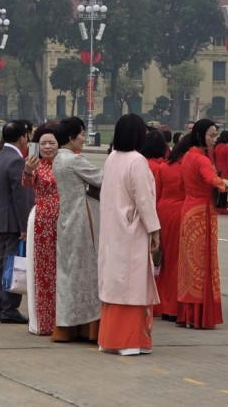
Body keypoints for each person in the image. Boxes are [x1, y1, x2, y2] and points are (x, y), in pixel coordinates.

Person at [97, 114, 161, 356]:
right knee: (132, 285)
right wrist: (154, 230)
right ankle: (128, 340)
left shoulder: (112, 158)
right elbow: (144, 201)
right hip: (132, 229)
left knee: (115, 283)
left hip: (113, 228)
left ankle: (110, 338)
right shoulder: (137, 161)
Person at [51, 116, 104, 342]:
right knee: (88, 273)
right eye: (81, 134)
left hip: (66, 220)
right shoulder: (74, 160)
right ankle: (89, 326)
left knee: (68, 274)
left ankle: (67, 325)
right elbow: (102, 178)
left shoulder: (57, 159)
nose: (83, 139)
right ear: (71, 137)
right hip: (82, 220)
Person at [177, 119, 228, 330]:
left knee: (190, 265)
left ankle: (188, 314)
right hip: (202, 214)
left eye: (216, 135)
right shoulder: (202, 159)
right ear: (200, 135)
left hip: (188, 210)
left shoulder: (187, 156)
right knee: (203, 264)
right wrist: (223, 183)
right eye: (211, 135)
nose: (214, 139)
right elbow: (211, 179)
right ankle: (200, 315)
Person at [0, 121, 33, 324]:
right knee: (13, 264)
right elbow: (21, 196)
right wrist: (25, 226)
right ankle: (9, 307)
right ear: (22, 137)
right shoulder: (16, 161)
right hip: (14, 220)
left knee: (2, 265)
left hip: (3, 219)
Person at [22, 123, 59, 336]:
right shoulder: (35, 164)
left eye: (51, 143)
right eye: (43, 143)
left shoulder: (65, 163)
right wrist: (28, 170)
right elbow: (26, 184)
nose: (47, 147)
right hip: (42, 221)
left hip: (65, 222)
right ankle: (43, 321)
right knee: (43, 271)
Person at [154, 134, 190, 322]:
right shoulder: (188, 166)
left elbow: (158, 194)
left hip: (163, 211)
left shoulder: (164, 166)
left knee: (164, 260)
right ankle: (174, 305)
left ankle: (162, 303)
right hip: (181, 211)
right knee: (178, 261)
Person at [213, 131, 228, 209]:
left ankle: (218, 204)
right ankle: (223, 205)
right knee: (225, 188)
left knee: (219, 188)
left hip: (218, 170)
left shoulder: (217, 147)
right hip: (225, 170)